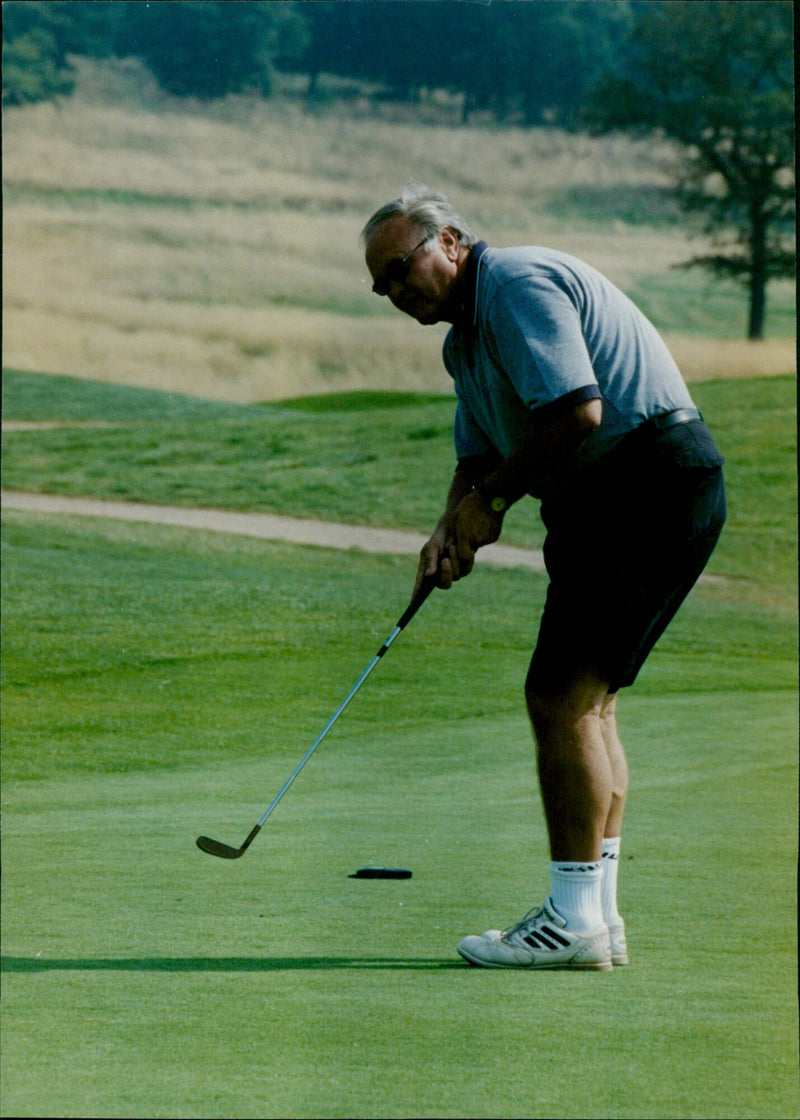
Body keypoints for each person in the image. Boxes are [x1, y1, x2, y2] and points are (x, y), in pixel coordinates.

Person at [361, 183, 726, 970]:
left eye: (401, 267)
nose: (395, 291)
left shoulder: (517, 284)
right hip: (622, 497)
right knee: (589, 705)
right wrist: (448, 528)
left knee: (560, 700)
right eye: (381, 285)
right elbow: (479, 456)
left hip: (646, 483)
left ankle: (572, 920)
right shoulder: (464, 343)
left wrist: (490, 503)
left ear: (451, 241)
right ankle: (597, 919)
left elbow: (576, 411)